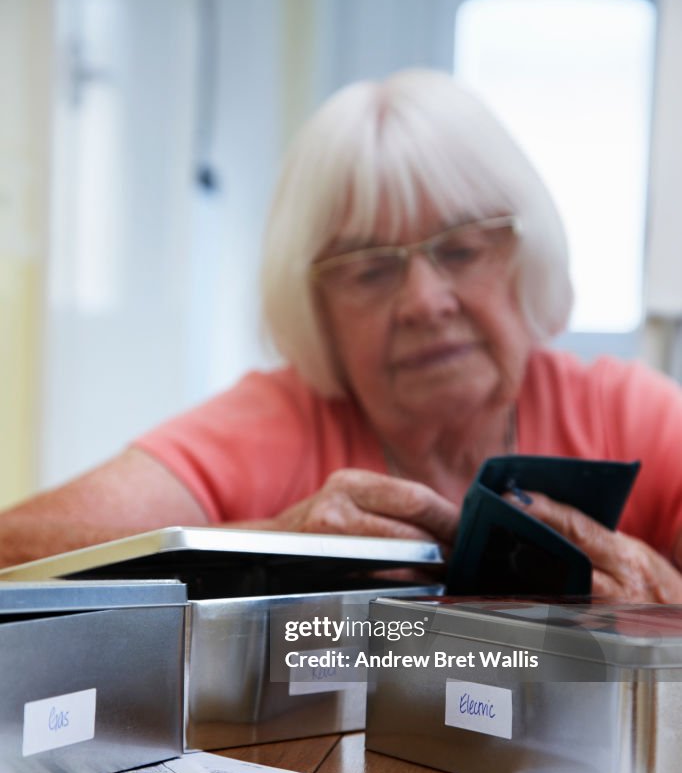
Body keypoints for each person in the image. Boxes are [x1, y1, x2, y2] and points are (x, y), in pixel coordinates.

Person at [1, 68, 681, 601]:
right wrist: (272, 542)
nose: (423, 302)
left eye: (462, 250)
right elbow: (13, 548)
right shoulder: (278, 422)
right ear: (315, 305)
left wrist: (661, 607)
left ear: (524, 258)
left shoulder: (629, 416)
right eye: (369, 269)